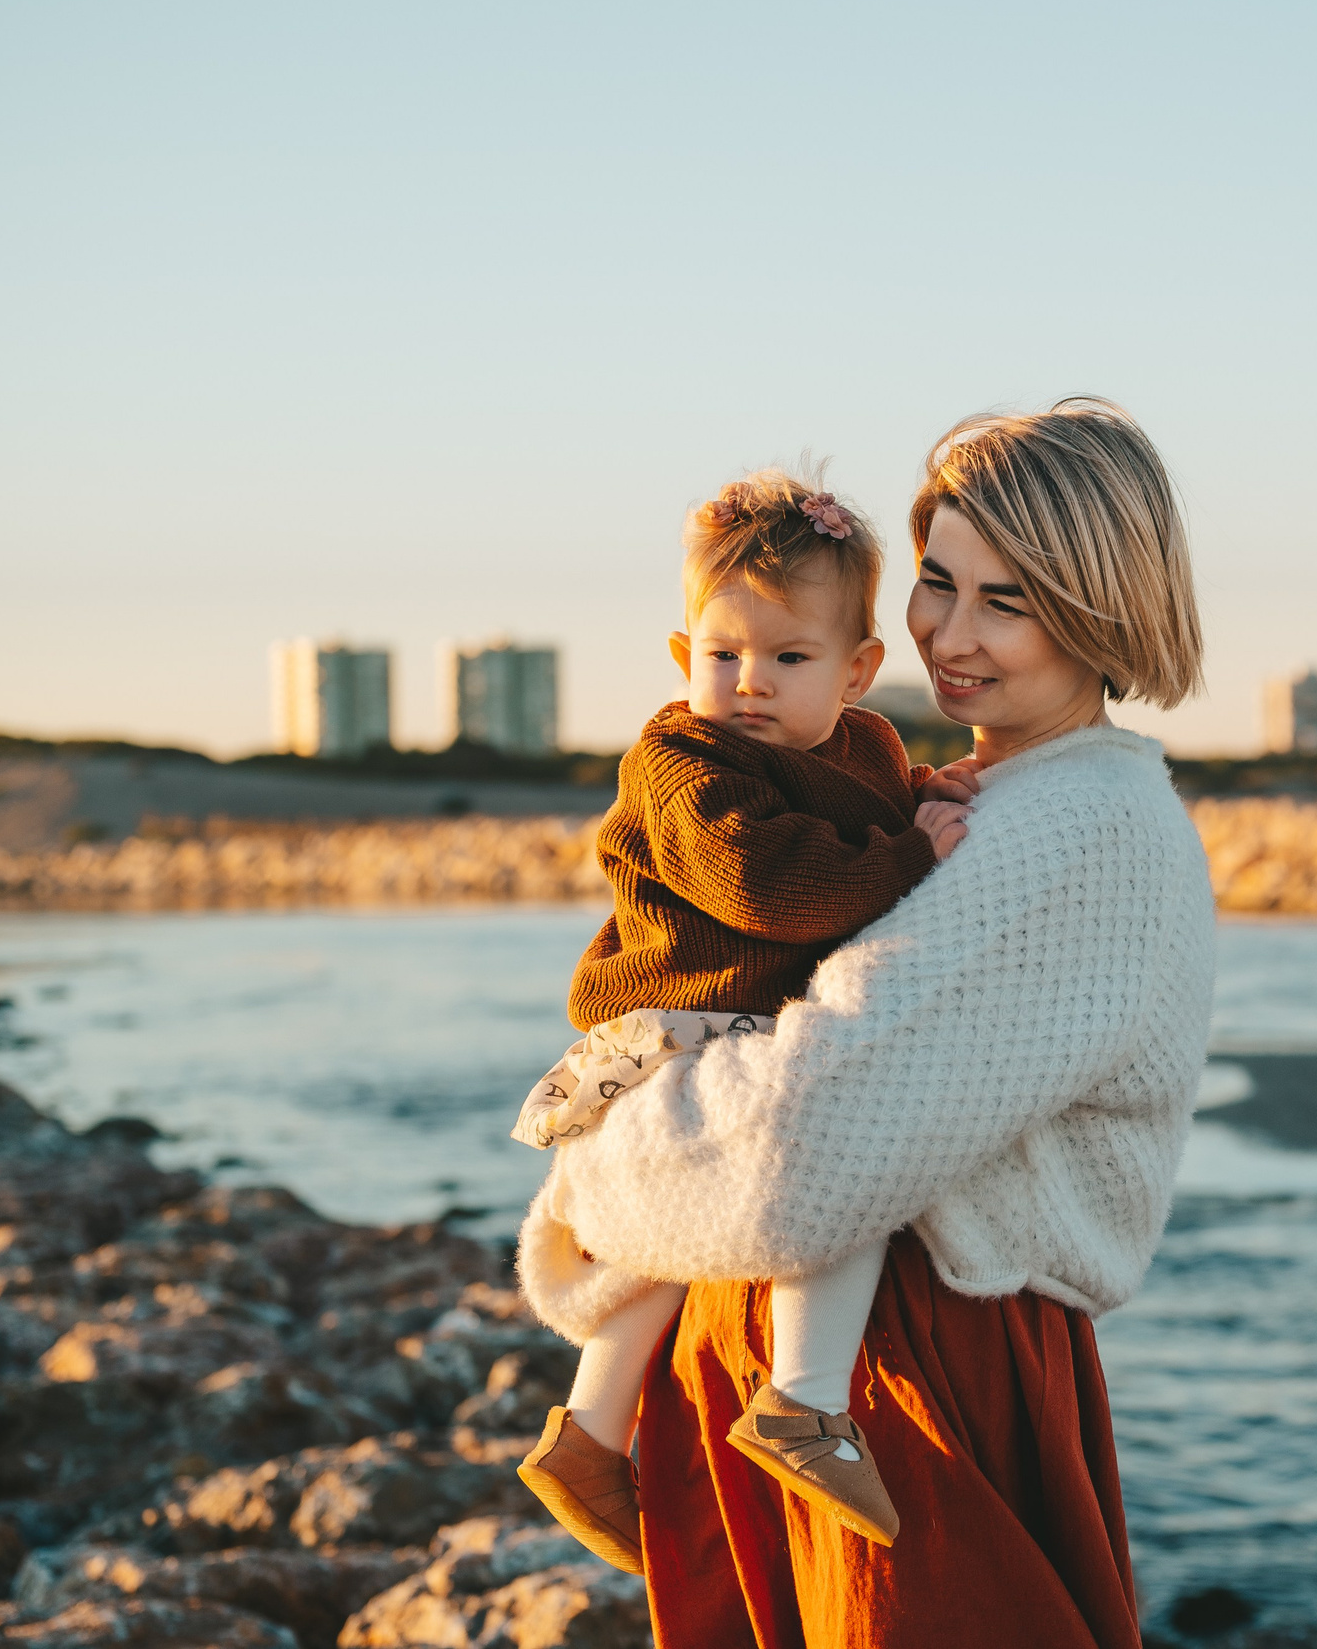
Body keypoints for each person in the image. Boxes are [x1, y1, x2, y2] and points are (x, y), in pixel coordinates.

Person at [537, 398, 1215, 1648]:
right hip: (816, 1372)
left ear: (1101, 609)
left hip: (918, 1379)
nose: (947, 637)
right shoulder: (961, 799)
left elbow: (800, 1148)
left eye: (1005, 601)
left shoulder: (1082, 833)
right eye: (936, 583)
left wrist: (594, 1169)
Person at [511, 468, 981, 1567]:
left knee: (692, 1229)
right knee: (837, 1157)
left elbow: (864, 802)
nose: (751, 681)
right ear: (684, 659)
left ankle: (586, 1432)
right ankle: (803, 1398)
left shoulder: (856, 744)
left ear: (857, 670)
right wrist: (913, 860)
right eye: (723, 655)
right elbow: (770, 884)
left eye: (788, 658)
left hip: (746, 1023)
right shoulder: (681, 763)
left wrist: (926, 799)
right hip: (681, 1017)